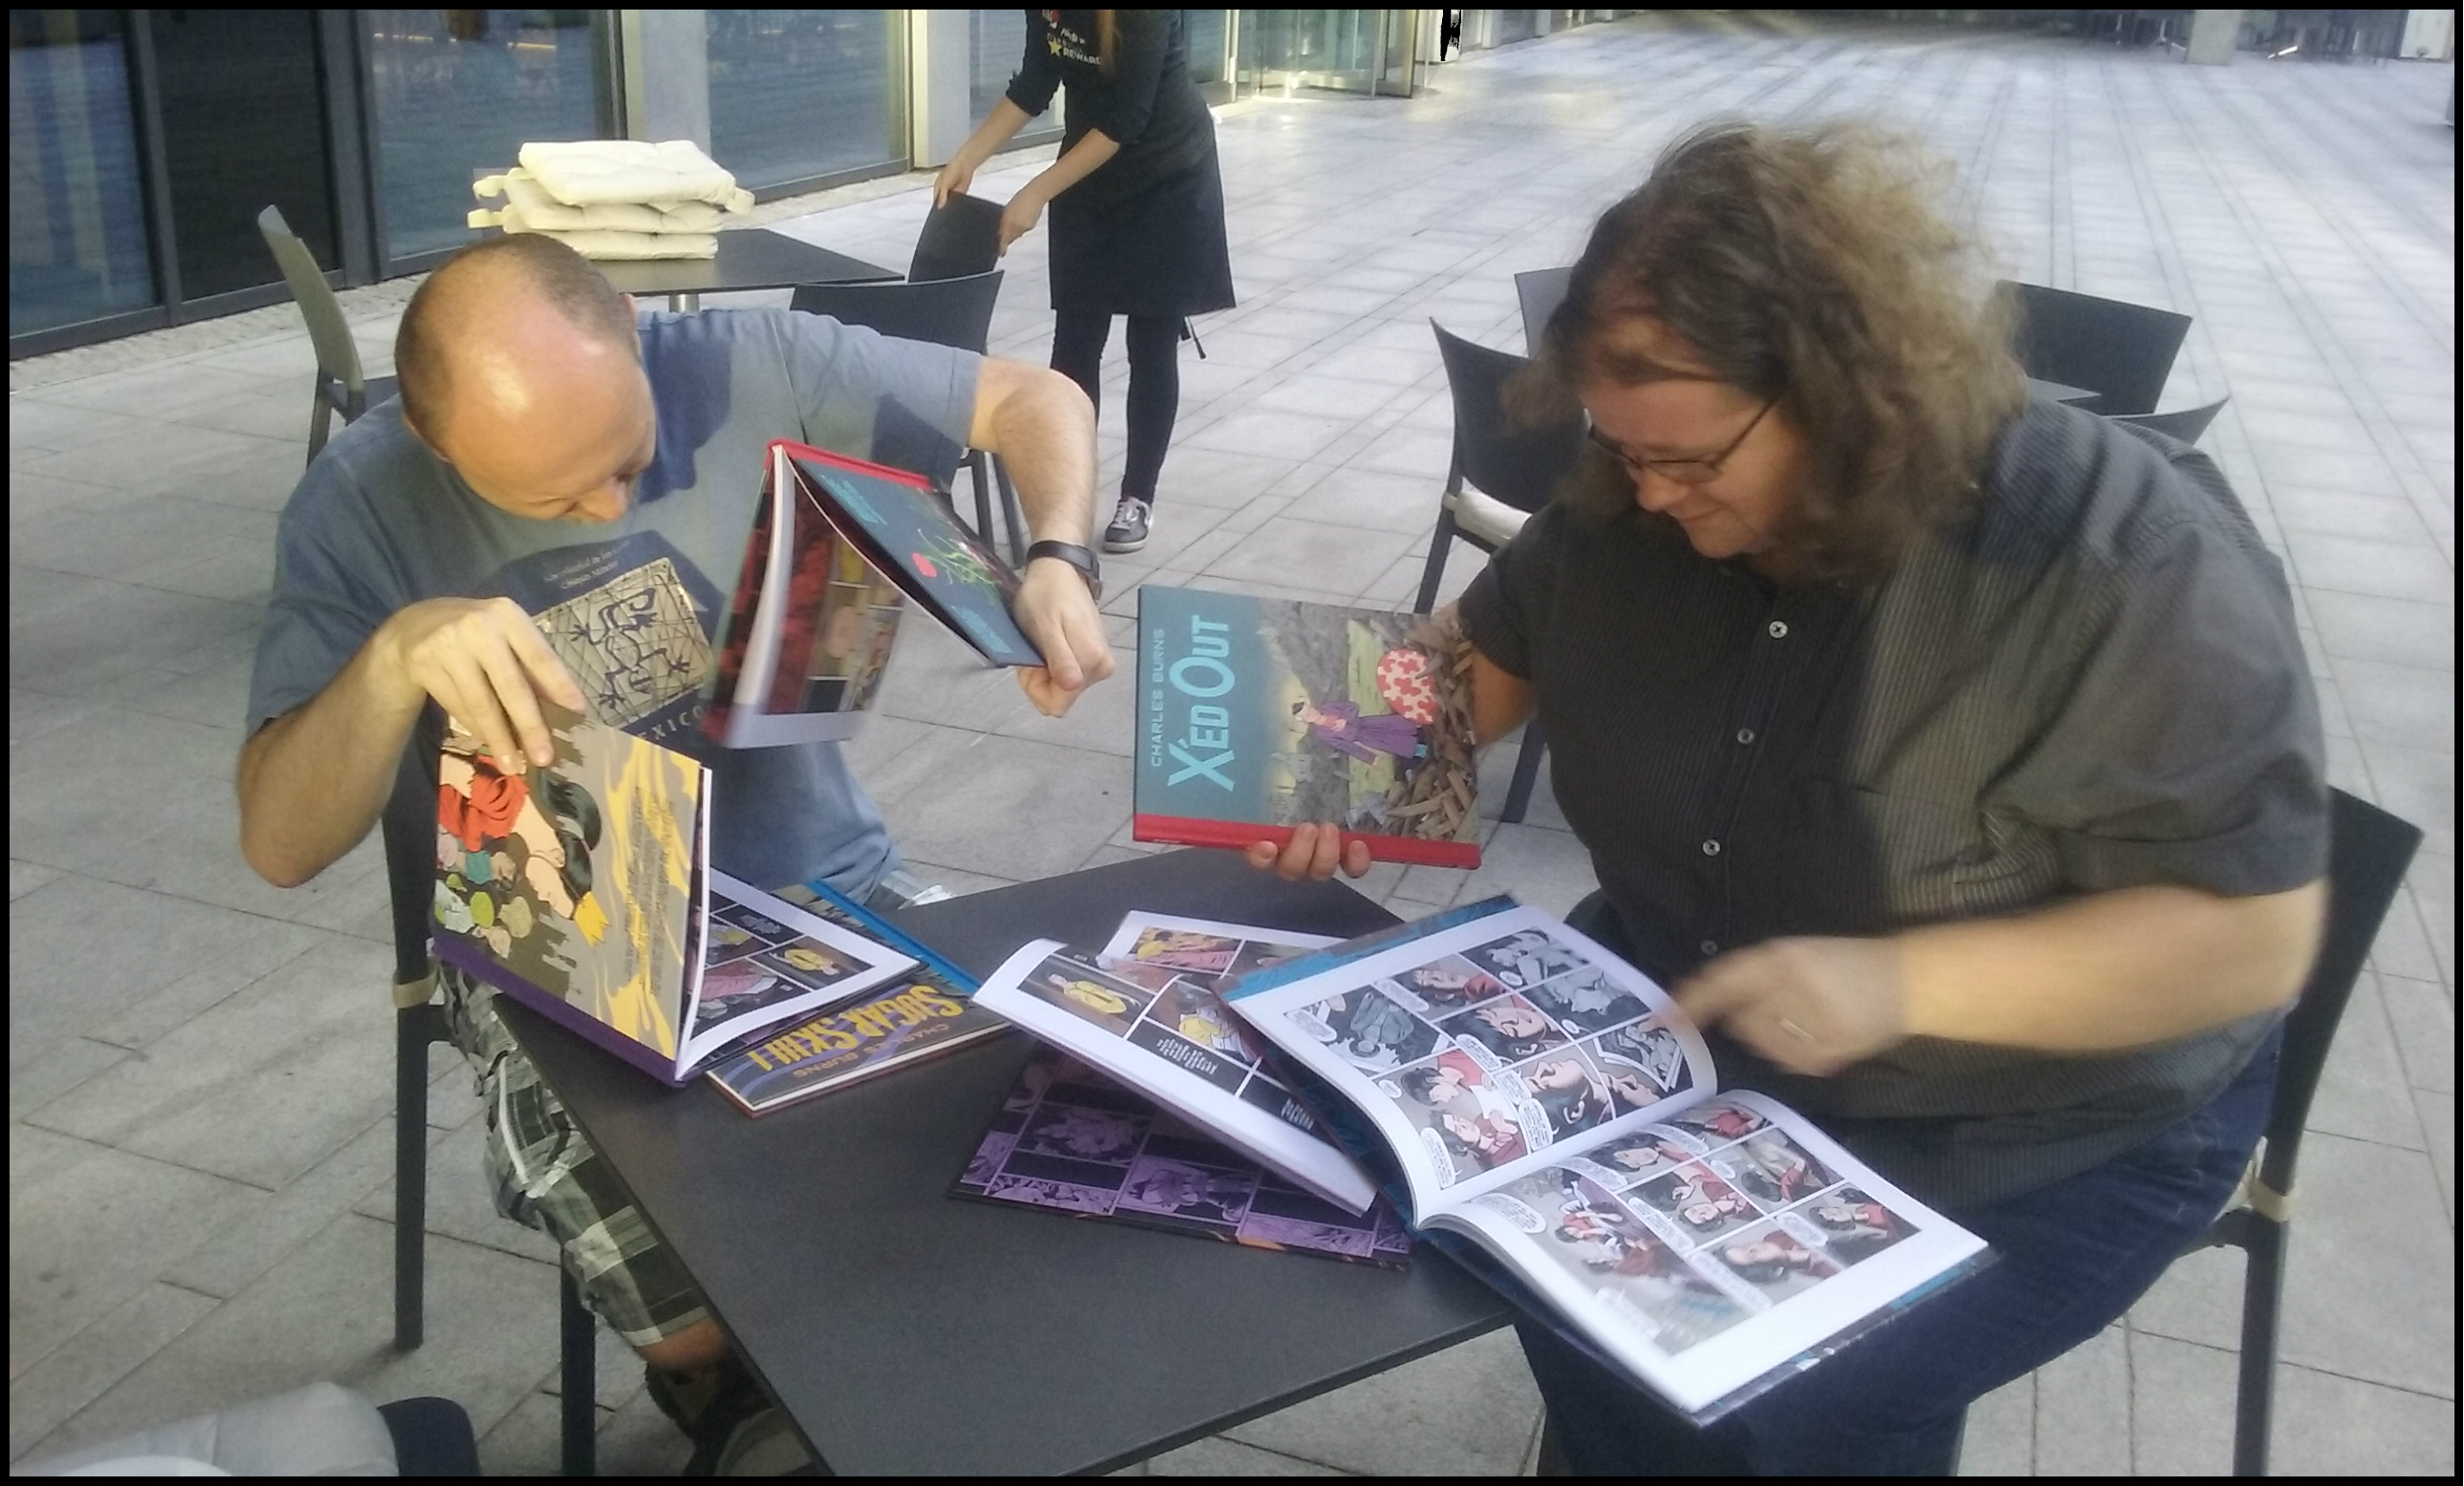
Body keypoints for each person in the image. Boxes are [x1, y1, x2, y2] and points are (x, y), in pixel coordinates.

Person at [1250, 120, 2326, 1475]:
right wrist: (1335, 763)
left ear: (1849, 391)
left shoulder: (2118, 562)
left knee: (1799, 1397)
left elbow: (2249, 942)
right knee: (1554, 1301)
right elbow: (1472, 669)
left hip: (2038, 1120)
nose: (1652, 494)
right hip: (1694, 1028)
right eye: (1624, 452)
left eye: (1694, 461)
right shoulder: (1634, 498)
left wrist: (1901, 986)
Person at [237, 231, 1114, 1473]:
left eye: (628, 461)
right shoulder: (356, 506)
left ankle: (905, 1362)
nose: (607, 506)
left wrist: (1058, 558)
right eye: (553, 500)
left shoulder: (750, 358)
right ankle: (735, 1384)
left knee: (1053, 1129)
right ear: (433, 439)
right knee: (696, 1286)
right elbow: (279, 843)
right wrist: (390, 661)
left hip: (830, 879)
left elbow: (1037, 397)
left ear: (633, 333)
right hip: (562, 943)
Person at [934, 9, 1236, 554]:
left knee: (1151, 344)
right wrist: (967, 158)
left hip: (1168, 174)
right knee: (1074, 345)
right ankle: (1065, 497)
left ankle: (1137, 497)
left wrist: (1035, 193)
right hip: (1088, 173)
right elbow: (1036, 80)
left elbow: (1125, 120)